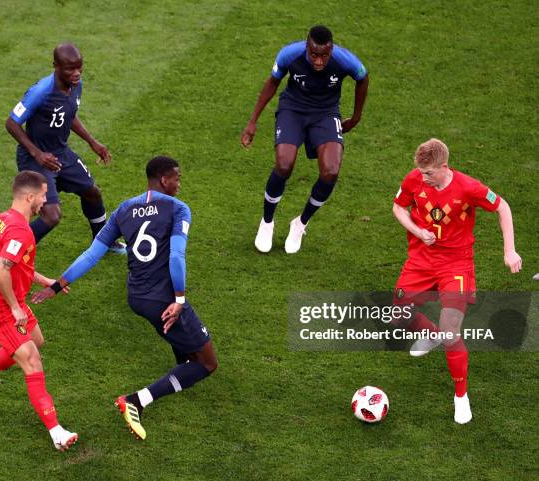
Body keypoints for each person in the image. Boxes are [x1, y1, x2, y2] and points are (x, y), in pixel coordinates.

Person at [32, 156, 218, 440]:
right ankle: (137, 400)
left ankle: (182, 367)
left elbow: (92, 254)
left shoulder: (124, 210)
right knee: (206, 363)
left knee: (183, 340)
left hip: (138, 297)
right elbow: (177, 256)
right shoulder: (178, 209)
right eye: (177, 178)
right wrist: (179, 299)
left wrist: (57, 286)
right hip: (163, 298)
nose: (179, 183)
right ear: (165, 179)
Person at [391, 138, 522, 424]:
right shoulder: (415, 178)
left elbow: (503, 207)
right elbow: (398, 208)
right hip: (421, 259)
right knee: (397, 314)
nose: (423, 178)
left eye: (429, 173)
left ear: (444, 167)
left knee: (452, 333)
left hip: (456, 264)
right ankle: (429, 334)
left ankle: (460, 396)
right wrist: (417, 230)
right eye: (421, 173)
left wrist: (509, 250)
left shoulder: (468, 187)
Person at [0, 171, 78, 451]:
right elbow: (2, 272)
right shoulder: (20, 230)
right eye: (43, 195)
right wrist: (15, 308)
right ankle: (57, 432)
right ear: (30, 196)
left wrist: (43, 280)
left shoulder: (4, 218)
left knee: (35, 340)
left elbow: (15, 264)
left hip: (8, 299)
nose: (46, 200)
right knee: (32, 360)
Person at [241, 25, 369, 254]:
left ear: (331, 50)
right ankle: (267, 222)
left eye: (324, 56)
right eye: (314, 55)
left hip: (326, 112)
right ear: (306, 47)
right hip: (293, 109)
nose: (319, 61)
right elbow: (272, 82)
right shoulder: (290, 54)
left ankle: (300, 224)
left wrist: (356, 117)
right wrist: (253, 121)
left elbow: (363, 77)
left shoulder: (344, 60)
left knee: (331, 171)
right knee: (284, 164)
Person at [5, 42, 125, 253]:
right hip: (36, 159)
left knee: (92, 192)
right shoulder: (40, 92)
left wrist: (92, 142)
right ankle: (12, 252)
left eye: (80, 67)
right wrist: (37, 154)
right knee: (52, 216)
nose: (77, 73)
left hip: (60, 153)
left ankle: (103, 242)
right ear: (56, 66)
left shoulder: (76, 84)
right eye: (70, 68)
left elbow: (67, 115)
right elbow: (11, 123)